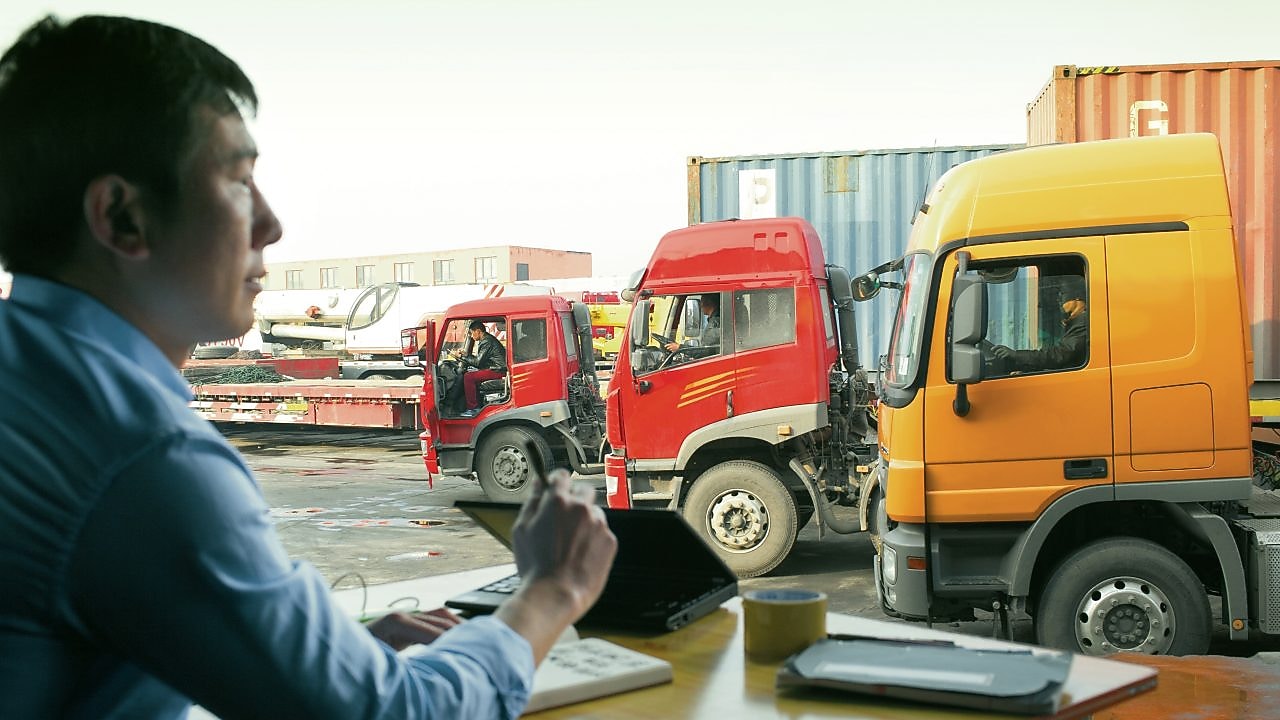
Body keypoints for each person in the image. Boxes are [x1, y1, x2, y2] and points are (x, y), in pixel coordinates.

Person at [0, 15, 615, 720]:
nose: (271, 225)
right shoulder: (144, 458)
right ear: (122, 217)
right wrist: (552, 590)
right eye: (237, 183)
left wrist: (326, 650)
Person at [990, 277, 1089, 372]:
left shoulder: (1084, 323)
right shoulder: (1074, 322)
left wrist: (1016, 355)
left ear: (1077, 297)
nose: (1058, 300)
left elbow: (1060, 355)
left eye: (1061, 294)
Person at [451, 319, 508, 416]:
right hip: (496, 368)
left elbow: (478, 362)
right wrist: (465, 355)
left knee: (468, 377)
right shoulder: (487, 339)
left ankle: (473, 409)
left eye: (472, 333)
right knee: (471, 374)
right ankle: (478, 404)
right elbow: (480, 360)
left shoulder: (486, 341)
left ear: (478, 331)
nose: (472, 336)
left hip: (498, 370)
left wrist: (462, 356)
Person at [663, 293, 721, 360]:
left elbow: (705, 352)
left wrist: (679, 348)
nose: (701, 306)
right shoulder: (715, 321)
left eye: (701, 303)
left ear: (707, 303)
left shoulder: (715, 324)